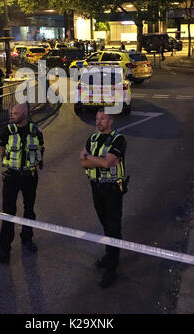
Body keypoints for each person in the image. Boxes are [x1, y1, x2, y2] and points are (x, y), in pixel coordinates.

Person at [80, 108, 127, 288]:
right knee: (105, 225)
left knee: (113, 227)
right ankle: (110, 255)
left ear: (111, 121)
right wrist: (96, 160)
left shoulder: (119, 140)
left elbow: (108, 163)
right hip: (96, 187)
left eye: (103, 119)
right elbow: (82, 161)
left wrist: (90, 158)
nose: (98, 121)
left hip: (113, 190)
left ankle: (112, 268)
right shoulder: (92, 139)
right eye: (97, 118)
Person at [0, 103, 45, 264]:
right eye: (12, 113)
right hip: (12, 177)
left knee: (29, 209)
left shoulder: (36, 130)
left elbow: (41, 148)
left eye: (15, 113)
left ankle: (27, 239)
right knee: (8, 212)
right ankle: (4, 250)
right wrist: (6, 162)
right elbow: (0, 148)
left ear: (25, 114)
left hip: (29, 177)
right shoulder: (7, 131)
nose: (12, 115)